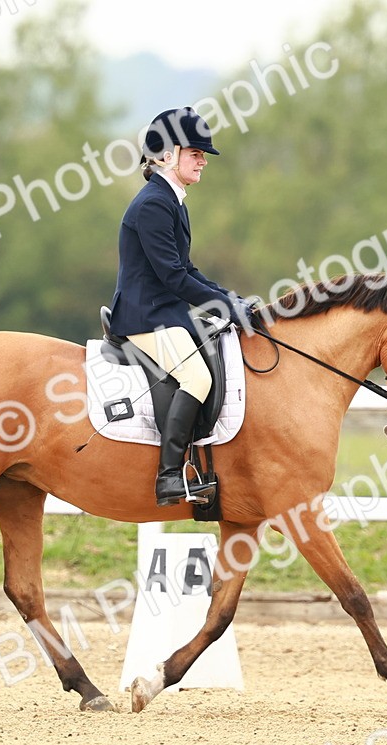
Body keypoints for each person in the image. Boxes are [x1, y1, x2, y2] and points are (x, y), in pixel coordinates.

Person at [108, 107, 252, 506]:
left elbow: (186, 269)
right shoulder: (154, 205)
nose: (203, 161)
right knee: (197, 378)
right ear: (167, 155)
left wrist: (231, 300)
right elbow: (173, 277)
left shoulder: (171, 201)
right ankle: (169, 476)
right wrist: (225, 308)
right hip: (145, 316)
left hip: (164, 312)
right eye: (196, 153)